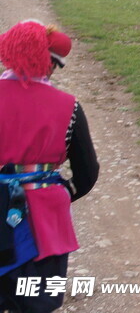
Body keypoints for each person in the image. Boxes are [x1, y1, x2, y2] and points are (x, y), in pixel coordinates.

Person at [0, 20, 99, 312]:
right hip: (44, 220)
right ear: (50, 64)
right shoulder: (68, 106)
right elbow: (87, 173)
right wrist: (63, 192)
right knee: (36, 299)